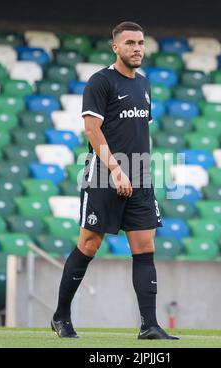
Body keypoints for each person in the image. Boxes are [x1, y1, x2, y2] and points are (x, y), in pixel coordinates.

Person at [51, 21, 179, 340]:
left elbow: (140, 134)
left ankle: (149, 325)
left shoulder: (144, 85)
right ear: (116, 48)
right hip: (104, 175)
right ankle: (61, 316)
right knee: (89, 244)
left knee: (144, 245)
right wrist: (117, 170)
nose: (137, 48)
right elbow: (93, 132)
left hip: (140, 175)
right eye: (130, 43)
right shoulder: (101, 81)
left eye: (141, 42)